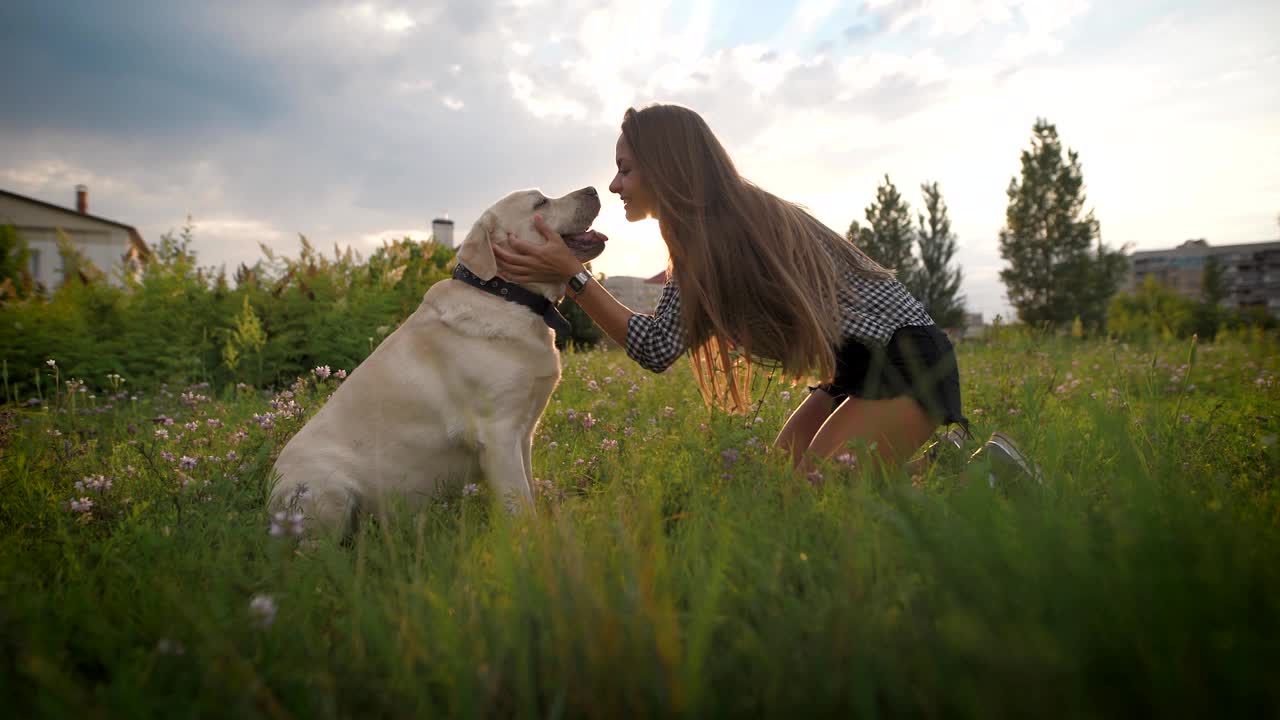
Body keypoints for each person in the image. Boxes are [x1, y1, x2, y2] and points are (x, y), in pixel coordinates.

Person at [494, 103, 1028, 478]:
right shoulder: (714, 225)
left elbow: (655, 350)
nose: (614, 185)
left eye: (626, 170)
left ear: (666, 168)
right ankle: (948, 463)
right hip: (863, 364)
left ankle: (982, 479)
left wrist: (573, 274)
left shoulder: (716, 233)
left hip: (906, 359)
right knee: (788, 473)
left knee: (818, 490)